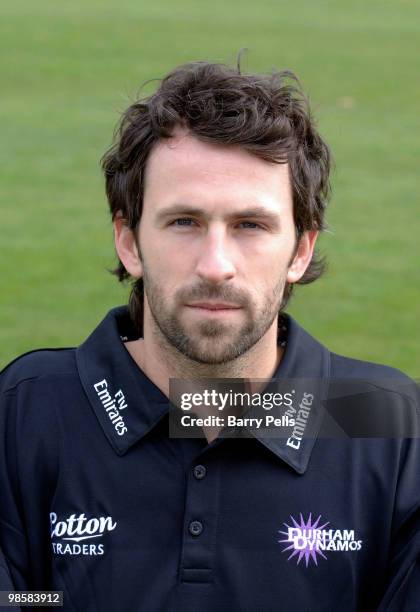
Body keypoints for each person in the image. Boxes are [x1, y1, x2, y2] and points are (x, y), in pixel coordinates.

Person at [0, 59, 419, 612]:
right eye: (184, 222)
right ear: (129, 242)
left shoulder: (391, 424)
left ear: (300, 249)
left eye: (251, 225)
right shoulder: (26, 410)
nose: (216, 265)